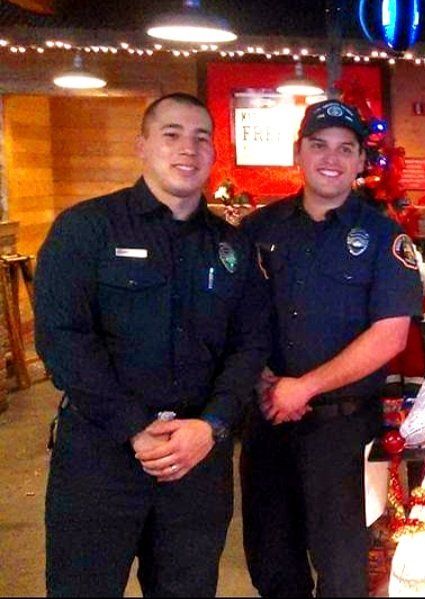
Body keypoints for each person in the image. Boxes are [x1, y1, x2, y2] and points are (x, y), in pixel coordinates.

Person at [34, 92, 270, 596]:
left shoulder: (232, 247)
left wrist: (213, 426)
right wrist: (134, 428)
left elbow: (250, 346)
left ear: (213, 153)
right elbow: (62, 338)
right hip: (100, 457)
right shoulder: (86, 229)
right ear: (142, 145)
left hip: (195, 460)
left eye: (201, 137)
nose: (188, 148)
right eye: (172, 134)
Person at [240, 99, 422, 597]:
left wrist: (304, 387)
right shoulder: (257, 231)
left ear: (362, 160)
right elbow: (234, 320)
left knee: (344, 575)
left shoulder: (385, 237)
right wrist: (265, 383)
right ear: (298, 152)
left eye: (346, 149)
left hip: (343, 433)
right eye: (319, 145)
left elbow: (391, 335)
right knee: (272, 568)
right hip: (267, 425)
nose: (331, 158)